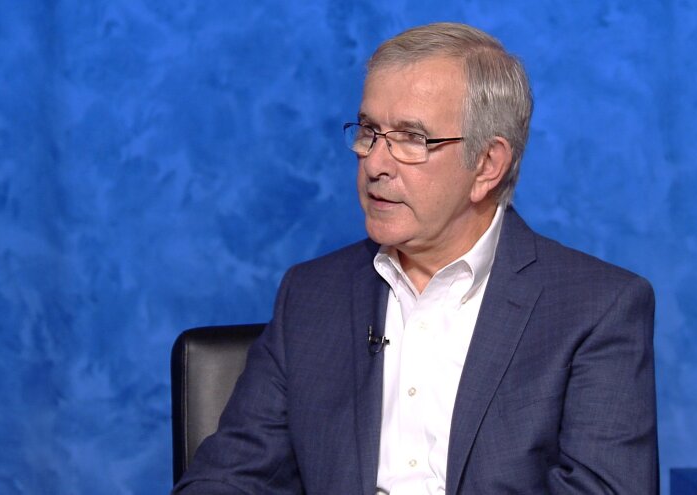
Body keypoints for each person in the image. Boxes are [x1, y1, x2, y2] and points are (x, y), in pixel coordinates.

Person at [174, 22, 658, 494]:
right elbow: (230, 477)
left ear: (487, 164)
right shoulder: (310, 296)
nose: (376, 163)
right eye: (368, 132)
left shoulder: (597, 308)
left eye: (411, 138)